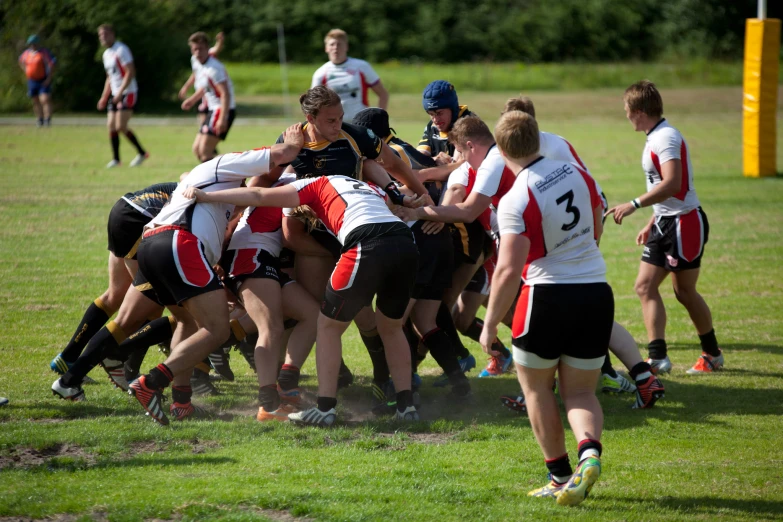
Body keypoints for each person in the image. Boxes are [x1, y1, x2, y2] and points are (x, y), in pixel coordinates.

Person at [187, 173, 421, 426]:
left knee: (326, 325)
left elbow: (259, 195)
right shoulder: (366, 185)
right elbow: (395, 203)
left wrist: (207, 195)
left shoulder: (315, 183)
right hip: (406, 244)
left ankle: (324, 408)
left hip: (365, 242)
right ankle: (406, 407)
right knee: (391, 328)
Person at [124, 127, 303, 425]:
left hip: (154, 244)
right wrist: (295, 144)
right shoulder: (225, 164)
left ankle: (182, 403)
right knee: (218, 329)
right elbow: (281, 154)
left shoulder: (225, 190)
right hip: (178, 242)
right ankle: (152, 382)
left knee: (188, 321)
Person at [481, 110, 616, 505]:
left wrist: (489, 326)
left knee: (537, 389)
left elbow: (507, 270)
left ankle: (559, 476)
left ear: (501, 149)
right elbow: (596, 222)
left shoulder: (514, 198)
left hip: (545, 296)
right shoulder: (576, 172)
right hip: (595, 291)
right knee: (581, 394)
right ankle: (589, 453)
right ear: (538, 139)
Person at [606, 80, 722, 375]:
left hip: (684, 225)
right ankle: (658, 357)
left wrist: (634, 204)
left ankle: (712, 353)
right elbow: (664, 188)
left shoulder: (666, 137)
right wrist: (653, 220)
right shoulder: (655, 135)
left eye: (627, 110)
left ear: (639, 111)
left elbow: (673, 183)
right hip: (665, 222)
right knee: (644, 287)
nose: (626, 116)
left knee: (684, 292)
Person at [49, 182, 177, 390]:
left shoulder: (203, 180)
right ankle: (127, 370)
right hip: (139, 220)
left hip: (123, 208)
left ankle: (68, 356)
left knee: (115, 295)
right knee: (151, 302)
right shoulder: (212, 195)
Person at [97, 24, 148, 169]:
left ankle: (142, 153)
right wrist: (104, 96)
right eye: (100, 35)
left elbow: (130, 72)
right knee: (111, 126)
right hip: (115, 94)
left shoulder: (121, 50)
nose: (103, 37)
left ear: (113, 34)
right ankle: (116, 159)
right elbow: (110, 77)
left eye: (105, 34)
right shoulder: (106, 54)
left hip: (128, 92)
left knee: (120, 126)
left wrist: (120, 93)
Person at [311, 29, 389, 123]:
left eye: (339, 44)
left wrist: (379, 119)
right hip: (335, 127)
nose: (335, 48)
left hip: (360, 124)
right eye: (332, 44)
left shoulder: (362, 66)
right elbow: (313, 105)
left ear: (346, 47)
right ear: (326, 48)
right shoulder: (320, 73)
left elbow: (383, 94)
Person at [180, 32, 236, 163]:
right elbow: (205, 86)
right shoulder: (196, 61)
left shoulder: (214, 69)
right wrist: (192, 99)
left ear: (207, 49)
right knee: (197, 150)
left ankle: (235, 167)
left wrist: (222, 118)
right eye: (195, 49)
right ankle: (224, 173)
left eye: (201, 49)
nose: (198, 52)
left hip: (222, 110)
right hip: (213, 110)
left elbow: (225, 94)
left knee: (205, 152)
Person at [179, 32, 224, 128]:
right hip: (200, 91)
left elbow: (216, 49)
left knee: (206, 123)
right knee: (203, 122)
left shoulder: (206, 55)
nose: (198, 52)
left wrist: (219, 42)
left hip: (208, 92)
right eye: (195, 49)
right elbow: (195, 74)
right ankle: (205, 135)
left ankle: (206, 137)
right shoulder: (195, 59)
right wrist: (186, 87)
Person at [18, 35, 56, 127]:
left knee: (45, 99)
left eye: (34, 44)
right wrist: (26, 70)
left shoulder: (44, 52)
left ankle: (47, 119)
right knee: (35, 100)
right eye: (31, 44)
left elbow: (51, 64)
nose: (32, 46)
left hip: (43, 79)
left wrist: (48, 78)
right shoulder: (27, 53)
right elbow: (20, 61)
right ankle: (39, 119)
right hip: (32, 80)